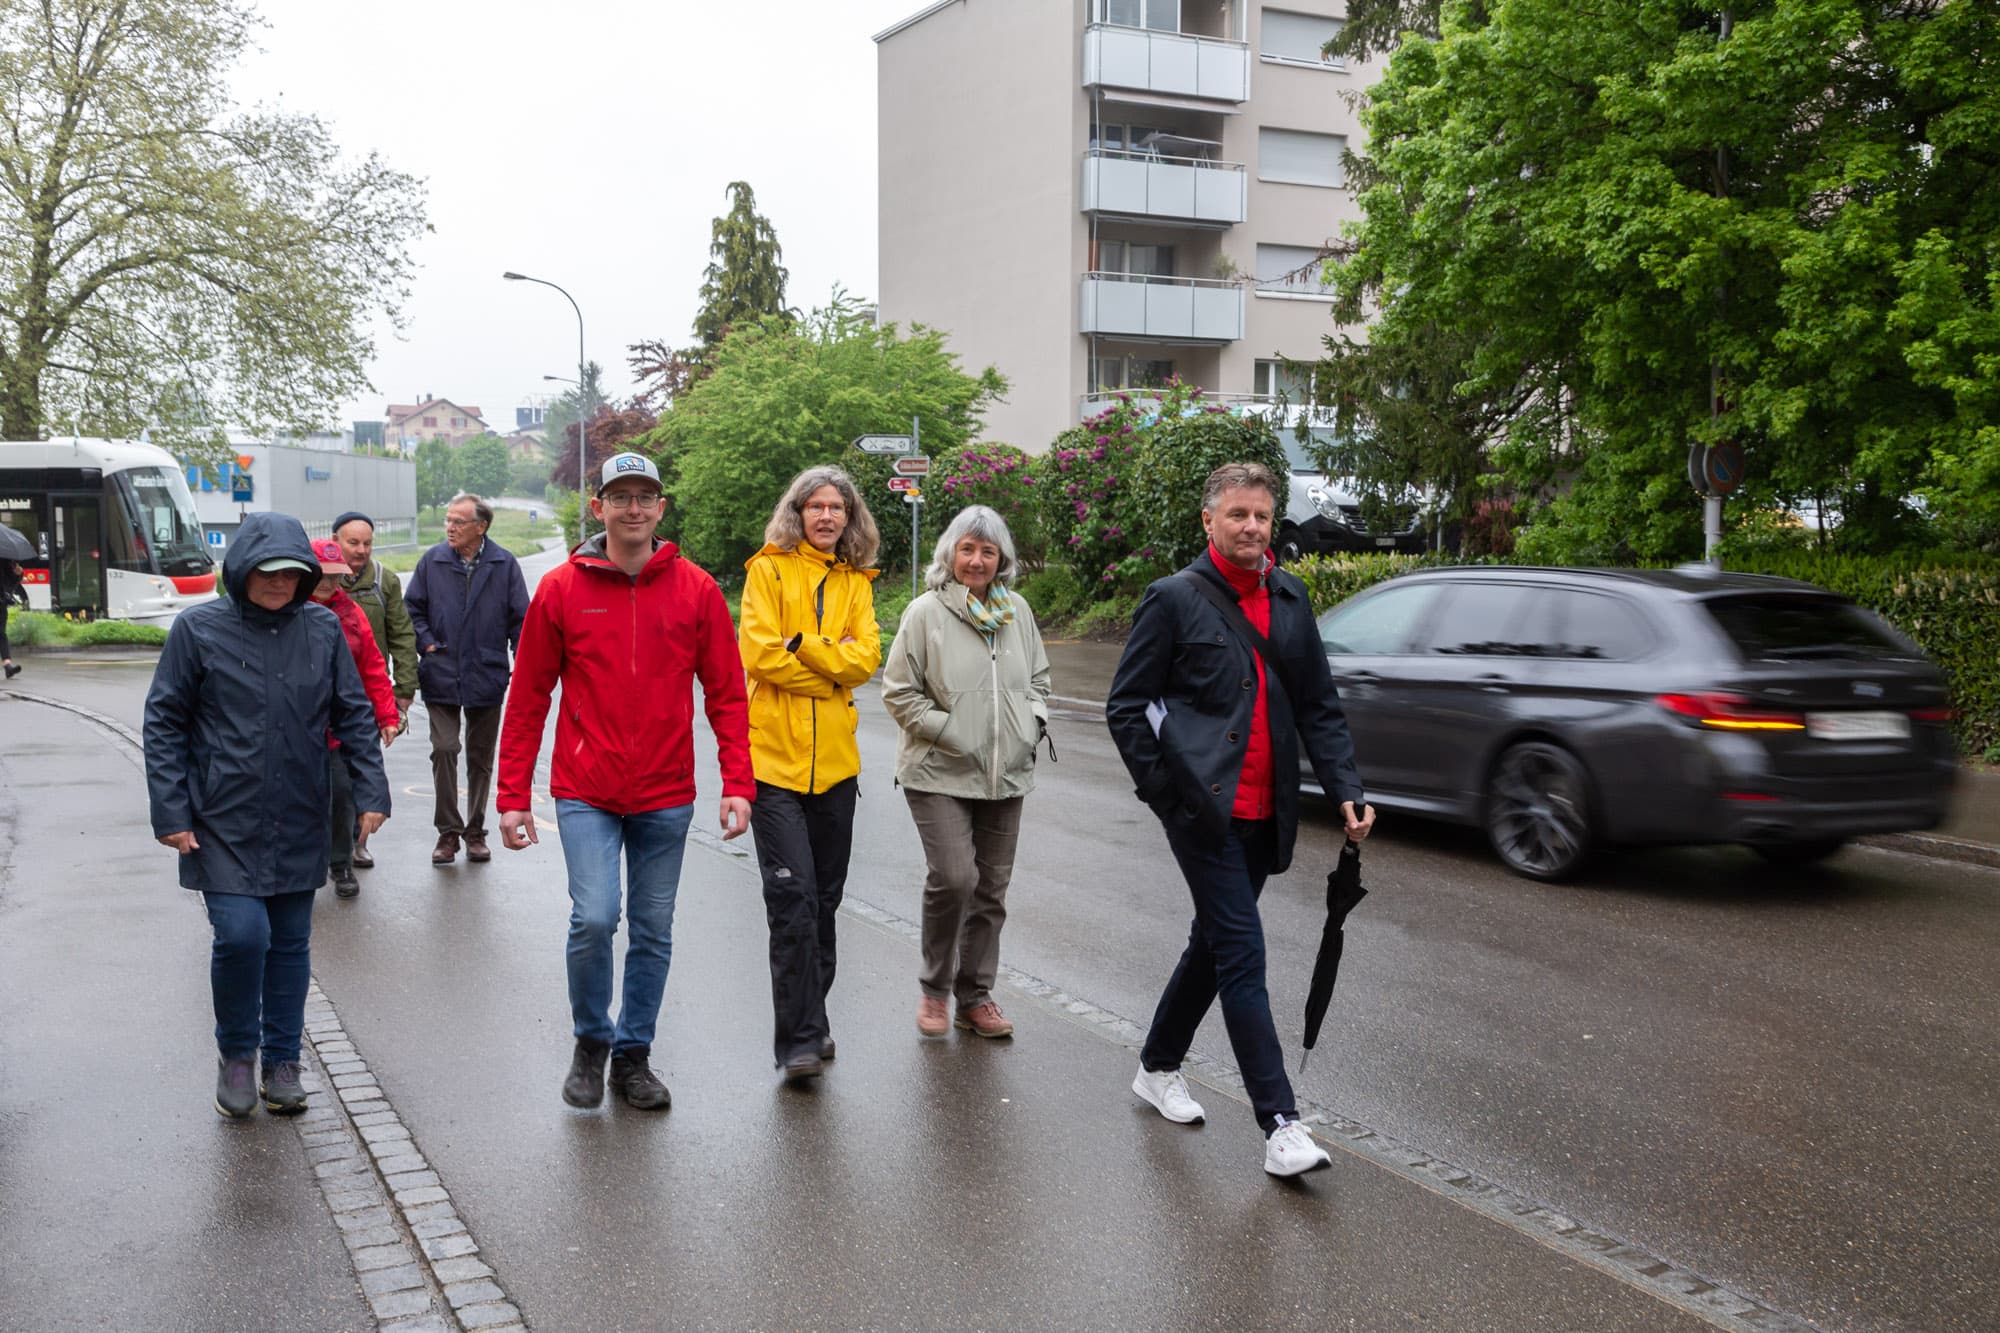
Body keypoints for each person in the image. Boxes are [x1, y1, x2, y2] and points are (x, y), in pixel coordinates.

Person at [1105, 461, 1376, 1179]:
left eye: (1261, 515)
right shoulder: (1173, 600)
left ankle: (1157, 1064)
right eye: (1237, 515)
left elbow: (1318, 703)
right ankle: (1280, 1122)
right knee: (1243, 953)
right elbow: (1125, 707)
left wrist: (1345, 785)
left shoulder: (1291, 597)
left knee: (1214, 946)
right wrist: (1166, 793)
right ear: (1209, 520)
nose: (1251, 527)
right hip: (1204, 811)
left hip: (1267, 811)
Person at [497, 453, 754, 1111]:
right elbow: (528, 696)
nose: (633, 508)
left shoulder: (695, 590)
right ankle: (591, 1039)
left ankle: (632, 1055)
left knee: (653, 927)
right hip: (586, 787)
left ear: (661, 509)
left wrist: (737, 781)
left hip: (666, 792)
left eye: (645, 496)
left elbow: (727, 692)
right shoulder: (561, 589)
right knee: (595, 916)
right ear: (599, 507)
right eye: (620, 496)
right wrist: (510, 795)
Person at [143, 512, 390, 1118]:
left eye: (293, 574)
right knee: (241, 937)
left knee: (290, 943)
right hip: (220, 817)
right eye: (268, 572)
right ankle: (236, 1056)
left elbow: (353, 713)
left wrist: (370, 792)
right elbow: (164, 722)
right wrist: (171, 810)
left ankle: (283, 1062)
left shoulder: (322, 630)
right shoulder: (197, 630)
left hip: (300, 810)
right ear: (243, 569)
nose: (280, 584)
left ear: (308, 577)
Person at [881, 505, 1051, 1041]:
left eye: (988, 551)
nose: (977, 560)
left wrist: (1032, 724)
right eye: (967, 549)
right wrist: (952, 730)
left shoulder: (1017, 611)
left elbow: (1040, 681)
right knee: (955, 878)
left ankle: (974, 997)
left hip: (1006, 773)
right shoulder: (925, 612)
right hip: (938, 771)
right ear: (950, 554)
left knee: (991, 890)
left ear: (1001, 559)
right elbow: (898, 691)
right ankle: (935, 988)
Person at [739, 465, 883, 1082]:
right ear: (796, 514)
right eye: (815, 506)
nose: (827, 516)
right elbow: (761, 654)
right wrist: (830, 666)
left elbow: (867, 658)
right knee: (792, 899)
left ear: (850, 518)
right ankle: (797, 1039)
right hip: (773, 766)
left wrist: (808, 649)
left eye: (837, 508)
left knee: (824, 900)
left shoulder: (857, 584)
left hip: (836, 772)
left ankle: (814, 1020)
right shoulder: (765, 572)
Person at [405, 493, 530, 867]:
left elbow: (521, 619)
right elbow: (412, 608)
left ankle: (475, 831)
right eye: (448, 520)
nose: (450, 528)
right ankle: (448, 831)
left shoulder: (503, 563)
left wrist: (520, 661)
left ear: (481, 526)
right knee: (444, 748)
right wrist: (426, 643)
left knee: (480, 757)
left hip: (486, 674)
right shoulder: (433, 560)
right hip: (440, 671)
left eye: (458, 522)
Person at [307, 538, 402, 898]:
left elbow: (374, 668)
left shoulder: (350, 613)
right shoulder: (287, 611)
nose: (330, 584)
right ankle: (302, 865)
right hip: (297, 728)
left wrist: (387, 715)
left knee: (343, 795)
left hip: (340, 727)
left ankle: (341, 862)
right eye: (323, 576)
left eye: (336, 577)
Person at [332, 510, 419, 869]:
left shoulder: (385, 581)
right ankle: (326, 842)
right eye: (353, 542)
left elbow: (402, 634)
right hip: (320, 696)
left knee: (361, 771)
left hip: (367, 696)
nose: (361, 550)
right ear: (337, 541)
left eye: (367, 543)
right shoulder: (317, 580)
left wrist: (404, 689)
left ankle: (357, 843)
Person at [1, 554, 22, 679]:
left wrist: (18, 574)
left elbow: (12, 583)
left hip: (1, 603)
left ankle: (8, 665)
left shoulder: (5, 560)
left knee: (1, 634)